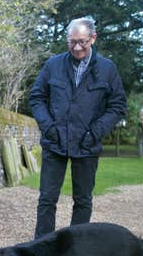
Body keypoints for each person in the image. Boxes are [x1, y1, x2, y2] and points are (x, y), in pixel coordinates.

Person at [29, 16, 127, 239]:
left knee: (83, 200)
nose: (77, 47)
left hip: (87, 143)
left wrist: (96, 132)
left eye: (82, 41)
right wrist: (48, 127)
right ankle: (41, 247)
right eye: (72, 42)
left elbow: (118, 106)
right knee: (47, 198)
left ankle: (75, 248)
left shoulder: (107, 69)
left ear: (93, 38)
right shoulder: (53, 64)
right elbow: (36, 97)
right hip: (55, 142)